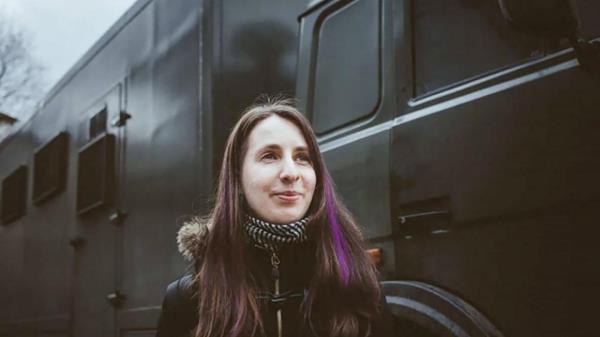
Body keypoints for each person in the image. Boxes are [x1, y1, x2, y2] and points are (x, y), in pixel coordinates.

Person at [156, 97, 394, 337]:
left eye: (303, 157)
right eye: (269, 156)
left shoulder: (359, 282)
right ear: (237, 178)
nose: (291, 173)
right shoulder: (186, 299)